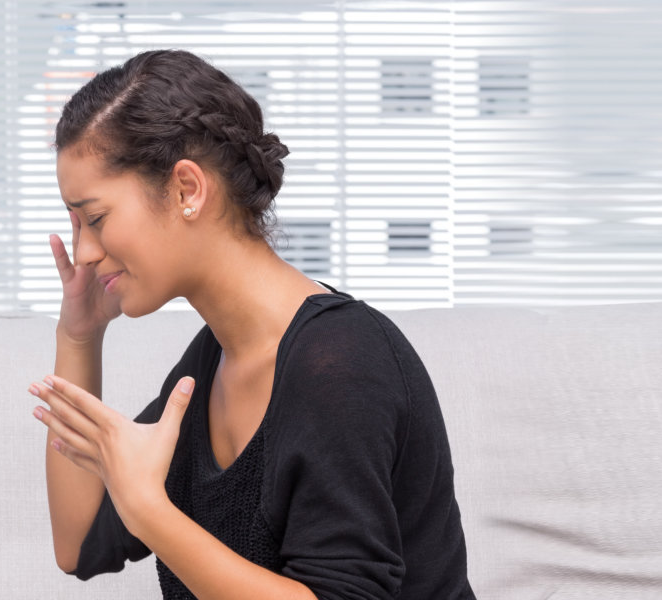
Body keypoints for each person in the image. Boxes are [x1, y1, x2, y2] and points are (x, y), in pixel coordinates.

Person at [30, 49, 475, 599]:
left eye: (95, 218)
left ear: (187, 189)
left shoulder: (342, 362)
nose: (85, 252)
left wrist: (149, 510)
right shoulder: (211, 363)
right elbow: (78, 544)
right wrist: (79, 336)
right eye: (76, 225)